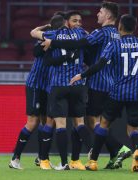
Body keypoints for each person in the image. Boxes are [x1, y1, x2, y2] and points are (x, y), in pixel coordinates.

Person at [69, 14, 138, 172]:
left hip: (118, 92)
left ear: (120, 27)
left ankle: (93, 162)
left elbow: (99, 65)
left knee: (103, 124)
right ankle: (136, 153)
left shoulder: (114, 45)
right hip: (137, 92)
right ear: (134, 28)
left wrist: (82, 75)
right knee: (133, 130)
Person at [42, 1, 131, 170]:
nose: (97, 14)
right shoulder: (117, 35)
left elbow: (80, 43)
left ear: (108, 16)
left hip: (97, 81)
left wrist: (53, 43)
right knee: (90, 121)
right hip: (111, 83)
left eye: (100, 11)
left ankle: (119, 149)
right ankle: (110, 155)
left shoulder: (101, 32)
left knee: (90, 122)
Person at [31, 10, 89, 171]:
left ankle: (56, 161)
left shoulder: (52, 35)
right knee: (79, 123)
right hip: (77, 85)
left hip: (57, 85)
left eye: (79, 21)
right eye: (75, 21)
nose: (78, 24)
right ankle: (91, 152)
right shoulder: (81, 35)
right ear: (67, 22)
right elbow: (89, 42)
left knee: (57, 124)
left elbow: (34, 36)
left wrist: (47, 34)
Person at [9, 14, 65, 170]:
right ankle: (15, 159)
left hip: (48, 87)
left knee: (47, 122)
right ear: (61, 28)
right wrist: (46, 30)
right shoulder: (48, 38)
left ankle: (42, 158)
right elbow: (35, 50)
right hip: (36, 85)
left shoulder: (58, 40)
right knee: (32, 122)